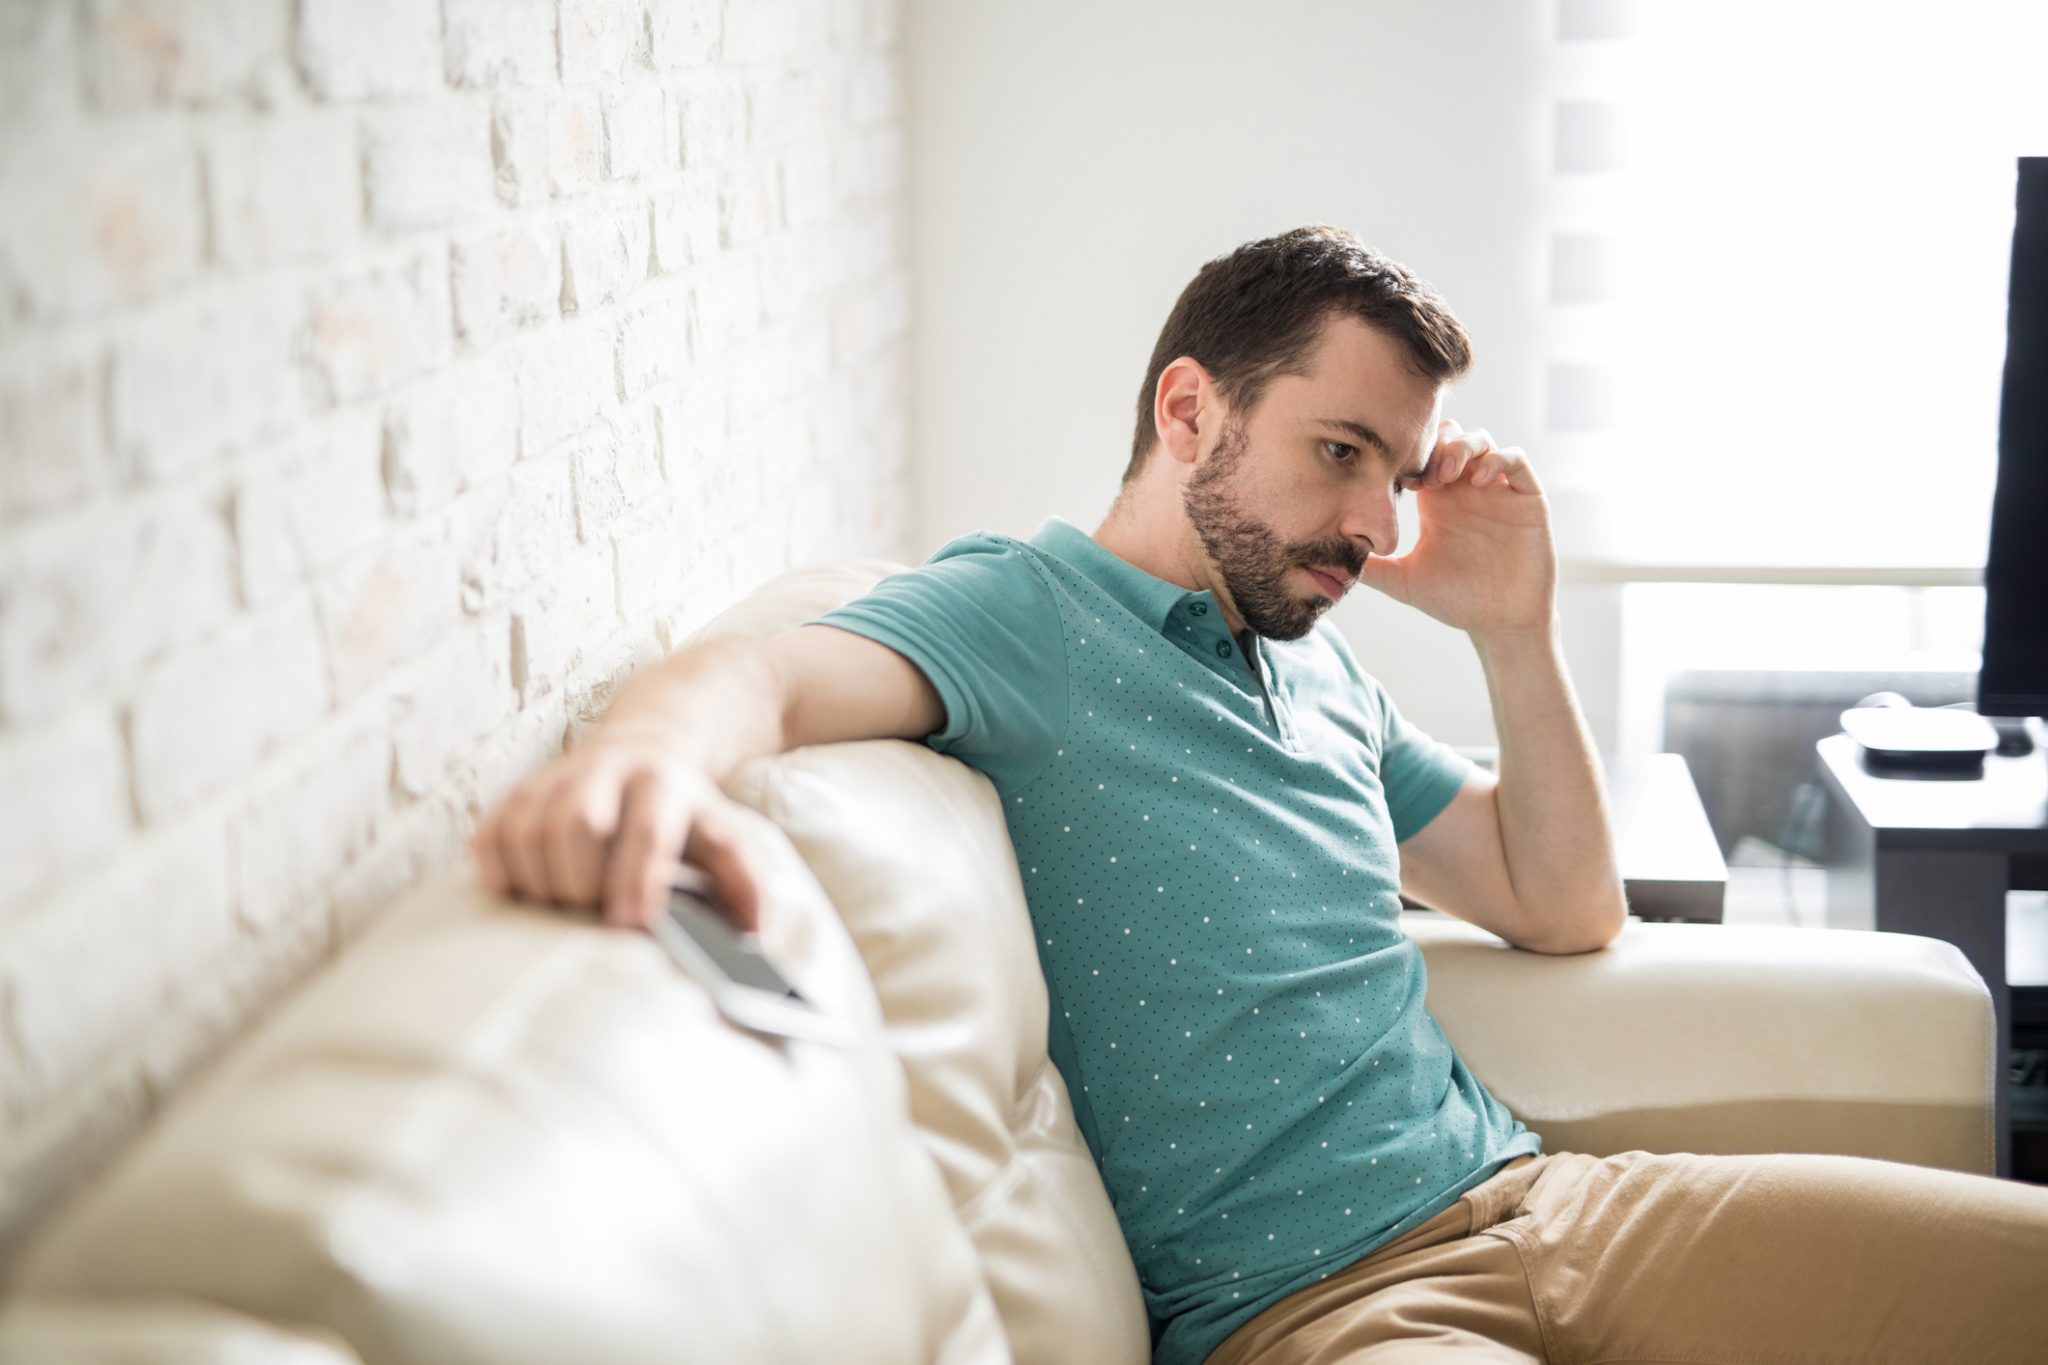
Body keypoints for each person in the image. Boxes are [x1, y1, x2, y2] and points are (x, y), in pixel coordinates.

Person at [470, 226, 2048, 1364]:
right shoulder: (1022, 613)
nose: (1373, 521)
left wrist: (1515, 629)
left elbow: (1563, 901)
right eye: (1341, 450)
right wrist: (633, 764)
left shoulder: (1316, 665)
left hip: (1555, 1202)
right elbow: (761, 674)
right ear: (1188, 411)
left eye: (1396, 475)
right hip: (1323, 1311)